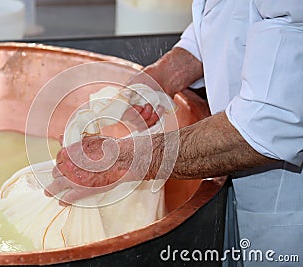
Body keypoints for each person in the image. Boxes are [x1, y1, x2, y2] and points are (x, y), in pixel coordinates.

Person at [46, 0, 303, 265]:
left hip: (287, 220)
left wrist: (123, 158)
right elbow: (231, 15)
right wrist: (165, 75)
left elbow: (270, 122)